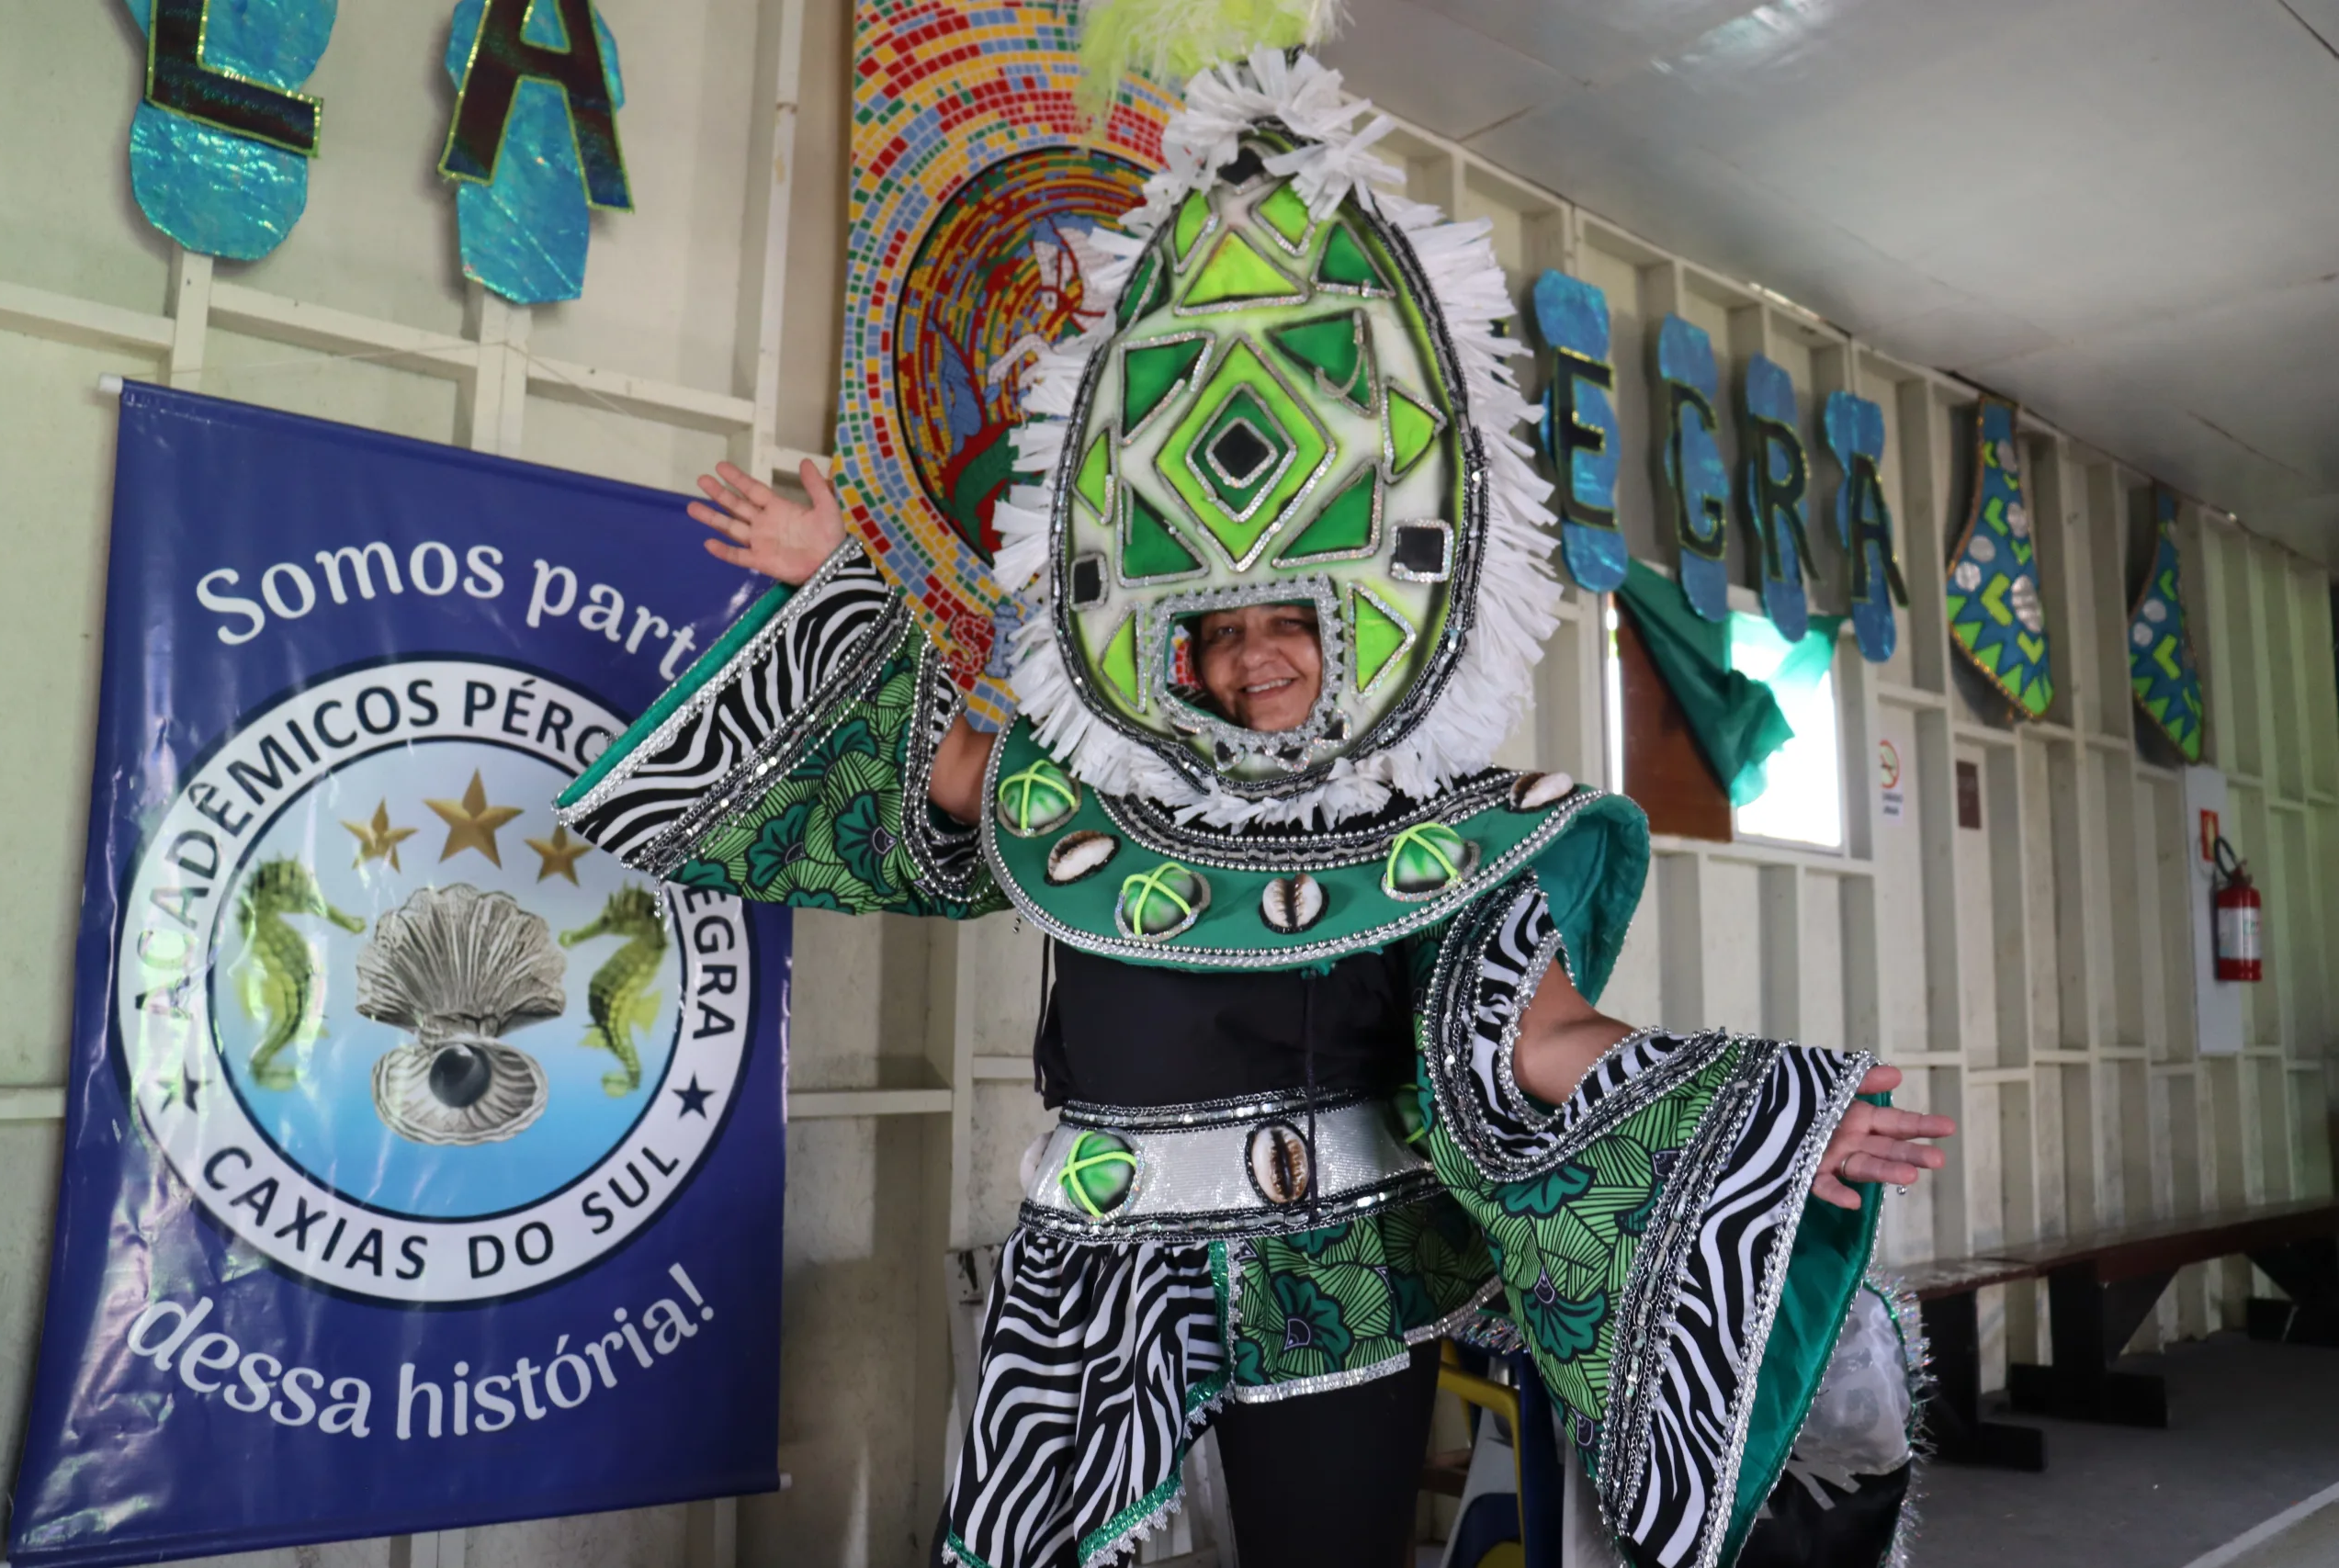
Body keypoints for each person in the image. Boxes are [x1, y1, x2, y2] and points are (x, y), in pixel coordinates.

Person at [559, 48, 1950, 1568]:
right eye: (1215, 629)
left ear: (1354, 619)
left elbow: (1538, 1038)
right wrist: (838, 581)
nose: (1252, 654)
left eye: (1283, 617)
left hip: (1340, 1259)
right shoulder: (1079, 780)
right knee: (1017, 1548)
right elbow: (926, 772)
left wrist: (1773, 1125)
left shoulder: (1454, 822)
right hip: (1092, 1256)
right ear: (1170, 642)